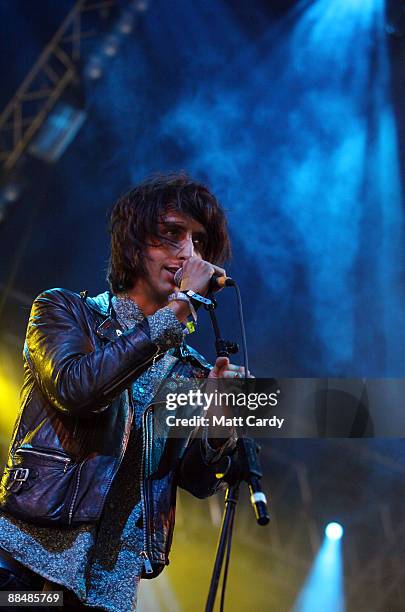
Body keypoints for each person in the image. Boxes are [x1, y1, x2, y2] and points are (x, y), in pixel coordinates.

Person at [0, 173, 246, 611]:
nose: (188, 253)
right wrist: (176, 312)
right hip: (26, 568)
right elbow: (78, 388)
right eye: (172, 234)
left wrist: (217, 425)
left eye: (199, 242)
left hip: (110, 590)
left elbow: (195, 479)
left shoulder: (190, 371)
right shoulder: (64, 311)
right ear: (134, 244)